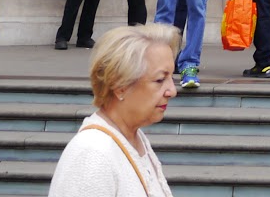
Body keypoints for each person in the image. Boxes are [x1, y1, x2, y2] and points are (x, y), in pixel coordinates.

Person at [48, 23, 180, 197]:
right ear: (120, 86)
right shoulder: (92, 154)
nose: (172, 91)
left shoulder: (133, 137)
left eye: (171, 77)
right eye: (160, 80)